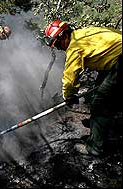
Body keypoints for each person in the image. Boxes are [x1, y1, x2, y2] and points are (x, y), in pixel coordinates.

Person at [43, 19, 122, 156]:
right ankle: (98, 124)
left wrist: (68, 96)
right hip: (114, 61)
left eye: (57, 44)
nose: (59, 48)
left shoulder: (75, 47)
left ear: (64, 36)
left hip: (119, 62)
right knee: (100, 90)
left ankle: (95, 147)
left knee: (100, 104)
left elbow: (70, 77)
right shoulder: (83, 33)